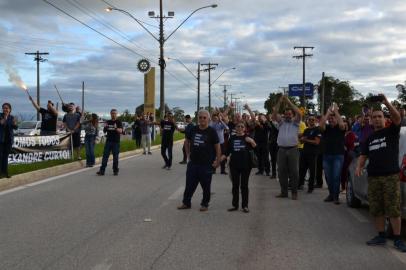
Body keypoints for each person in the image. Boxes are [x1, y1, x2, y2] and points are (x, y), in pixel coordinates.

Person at [355, 94, 406, 252]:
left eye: (379, 116)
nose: (377, 119)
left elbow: (397, 118)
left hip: (390, 176)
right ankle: (381, 236)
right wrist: (359, 166)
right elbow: (363, 155)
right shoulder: (369, 139)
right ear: (370, 120)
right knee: (377, 208)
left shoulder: (391, 131)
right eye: (374, 117)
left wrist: (386, 103)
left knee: (393, 209)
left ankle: (397, 239)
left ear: (384, 119)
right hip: (374, 177)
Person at [177, 110, 221, 212]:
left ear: (208, 119)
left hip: (206, 164)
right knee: (189, 184)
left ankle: (204, 204)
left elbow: (217, 147)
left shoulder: (212, 131)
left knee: (206, 186)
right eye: (200, 117)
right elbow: (187, 141)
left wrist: (218, 161)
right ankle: (186, 203)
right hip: (193, 163)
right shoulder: (193, 129)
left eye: (204, 118)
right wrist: (188, 154)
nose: (202, 119)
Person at [222, 121, 256, 213]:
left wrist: (251, 141)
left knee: (244, 186)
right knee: (235, 185)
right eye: (238, 126)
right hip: (234, 165)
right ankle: (235, 205)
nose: (240, 128)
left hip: (246, 165)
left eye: (242, 126)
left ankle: (245, 206)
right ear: (235, 128)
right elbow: (227, 152)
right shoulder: (232, 138)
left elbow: (254, 147)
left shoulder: (247, 138)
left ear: (244, 129)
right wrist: (219, 160)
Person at [272, 95, 302, 200]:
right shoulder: (281, 123)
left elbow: (299, 112)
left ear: (292, 115)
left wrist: (288, 101)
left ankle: (294, 192)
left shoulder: (296, 123)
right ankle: (284, 192)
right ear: (284, 115)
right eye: (286, 114)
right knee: (281, 172)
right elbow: (274, 114)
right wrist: (280, 101)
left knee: (294, 172)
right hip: (281, 150)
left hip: (293, 149)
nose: (288, 115)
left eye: (289, 114)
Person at [319, 103, 346, 204]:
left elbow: (342, 124)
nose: (330, 120)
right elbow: (321, 126)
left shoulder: (341, 128)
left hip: (338, 155)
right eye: (329, 119)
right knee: (328, 176)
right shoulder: (326, 129)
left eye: (332, 119)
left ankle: (336, 196)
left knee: (335, 176)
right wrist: (327, 113)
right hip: (327, 155)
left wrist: (336, 112)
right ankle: (331, 194)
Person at [298, 115, 321, 193]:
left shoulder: (317, 130)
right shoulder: (306, 130)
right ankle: (300, 184)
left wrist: (306, 140)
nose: (311, 121)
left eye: (313, 120)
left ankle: (310, 187)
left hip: (313, 153)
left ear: (315, 121)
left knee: (312, 171)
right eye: (310, 120)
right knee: (301, 169)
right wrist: (301, 139)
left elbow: (317, 142)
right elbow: (302, 141)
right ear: (307, 121)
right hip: (304, 152)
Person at [97, 109, 123, 176]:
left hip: (116, 142)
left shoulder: (118, 122)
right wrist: (105, 127)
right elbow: (104, 131)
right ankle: (102, 170)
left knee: (115, 157)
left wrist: (116, 128)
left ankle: (115, 170)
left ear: (116, 114)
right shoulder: (108, 122)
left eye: (114, 113)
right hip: (108, 141)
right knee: (105, 156)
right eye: (112, 113)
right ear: (110, 114)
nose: (113, 114)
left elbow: (121, 131)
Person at [0, 103, 18, 178]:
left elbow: (15, 127)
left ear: (10, 109)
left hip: (8, 140)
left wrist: (15, 123)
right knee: (0, 156)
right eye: (4, 108)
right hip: (1, 140)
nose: (5, 109)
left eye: (7, 108)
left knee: (5, 157)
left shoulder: (12, 117)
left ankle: (5, 172)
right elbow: (1, 123)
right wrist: (5, 117)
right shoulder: (0, 116)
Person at [341, 120, 356, 191]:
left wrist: (344, 145)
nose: (345, 126)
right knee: (342, 171)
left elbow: (350, 144)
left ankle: (347, 187)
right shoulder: (341, 133)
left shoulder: (351, 134)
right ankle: (343, 187)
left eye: (346, 125)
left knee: (346, 171)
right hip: (341, 154)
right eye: (343, 125)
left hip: (348, 155)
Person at [268, 114, 279, 179]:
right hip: (271, 143)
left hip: (278, 143)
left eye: (273, 117)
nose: (272, 118)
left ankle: (279, 173)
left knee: (278, 159)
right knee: (273, 159)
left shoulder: (278, 124)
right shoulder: (271, 123)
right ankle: (274, 173)